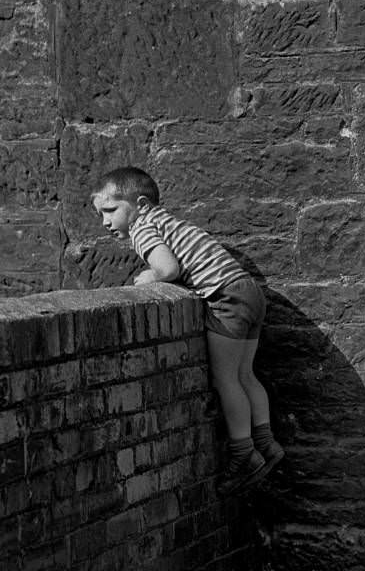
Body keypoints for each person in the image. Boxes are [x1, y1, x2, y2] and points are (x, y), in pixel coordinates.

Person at [91, 166, 285, 494]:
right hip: (248, 291)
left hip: (225, 297)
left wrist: (152, 277)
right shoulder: (169, 220)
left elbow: (168, 268)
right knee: (246, 375)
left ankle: (244, 453)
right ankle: (267, 443)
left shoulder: (144, 226)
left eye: (110, 210)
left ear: (139, 204)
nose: (105, 222)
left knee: (226, 379)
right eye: (101, 215)